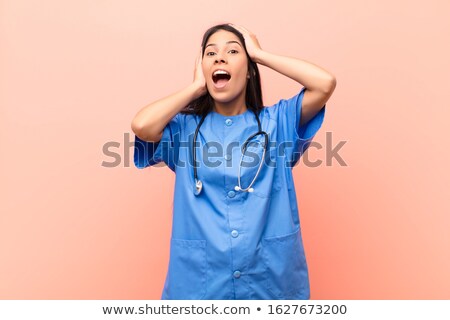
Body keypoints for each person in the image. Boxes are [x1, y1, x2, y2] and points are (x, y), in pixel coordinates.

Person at [131, 23, 336, 300]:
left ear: (249, 70)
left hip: (269, 284)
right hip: (201, 288)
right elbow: (142, 125)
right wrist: (194, 89)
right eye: (210, 53)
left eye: (233, 51)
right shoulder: (184, 130)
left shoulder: (278, 123)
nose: (219, 57)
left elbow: (324, 83)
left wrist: (260, 55)